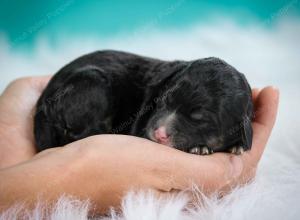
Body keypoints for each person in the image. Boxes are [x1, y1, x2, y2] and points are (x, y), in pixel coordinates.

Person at [0, 76, 279, 214]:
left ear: (239, 130)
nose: (159, 130)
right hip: (80, 94)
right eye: (168, 102)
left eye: (195, 119)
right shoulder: (167, 85)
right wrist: (73, 173)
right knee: (94, 94)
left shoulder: (234, 124)